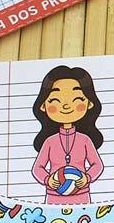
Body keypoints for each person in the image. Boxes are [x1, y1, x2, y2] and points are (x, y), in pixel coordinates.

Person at [31, 66, 106, 204]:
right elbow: (37, 168)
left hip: (82, 196)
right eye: (55, 100)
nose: (66, 106)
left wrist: (87, 177)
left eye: (77, 99)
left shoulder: (85, 140)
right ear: (43, 105)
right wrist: (48, 179)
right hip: (54, 197)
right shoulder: (50, 142)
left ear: (89, 103)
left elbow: (97, 165)